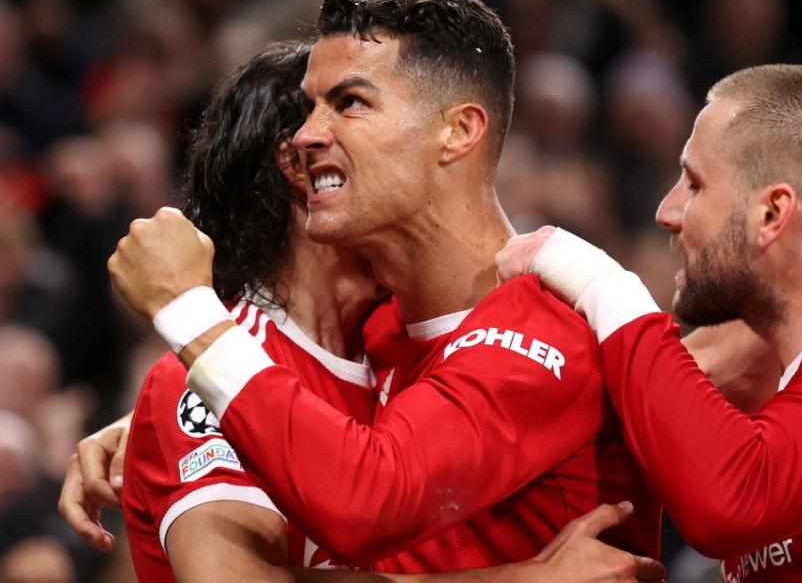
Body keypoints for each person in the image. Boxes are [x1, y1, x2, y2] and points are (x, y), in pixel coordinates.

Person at [62, 40, 664, 582]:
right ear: (303, 167)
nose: (323, 132)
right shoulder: (212, 373)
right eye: (339, 110)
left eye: (349, 107)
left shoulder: (392, 340)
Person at [496, 65, 802, 581]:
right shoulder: (797, 366)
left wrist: (604, 285)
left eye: (694, 183)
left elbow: (733, 501)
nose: (666, 211)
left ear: (772, 213)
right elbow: (673, 384)